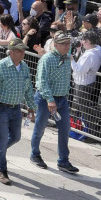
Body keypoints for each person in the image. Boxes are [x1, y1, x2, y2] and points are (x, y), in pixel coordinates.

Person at [0, 39, 35, 186]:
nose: (23, 53)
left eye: (23, 50)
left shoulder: (24, 67)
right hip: (1, 108)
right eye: (20, 50)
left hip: (16, 109)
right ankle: (2, 171)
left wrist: (31, 107)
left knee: (16, 136)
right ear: (11, 52)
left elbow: (28, 89)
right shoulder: (1, 66)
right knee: (2, 140)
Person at [30, 32, 79, 173]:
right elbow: (42, 81)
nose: (67, 46)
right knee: (40, 128)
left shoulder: (67, 58)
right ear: (55, 45)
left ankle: (63, 161)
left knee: (65, 130)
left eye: (68, 44)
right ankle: (35, 154)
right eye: (64, 44)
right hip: (45, 99)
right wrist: (50, 100)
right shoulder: (46, 59)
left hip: (62, 99)